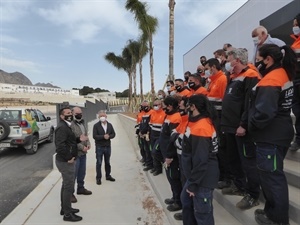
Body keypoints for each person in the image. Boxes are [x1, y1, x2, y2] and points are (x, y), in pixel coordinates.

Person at [249, 44, 297, 225]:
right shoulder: (282, 74)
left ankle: (278, 219)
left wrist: (251, 126)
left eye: (259, 60)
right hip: (278, 133)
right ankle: (271, 211)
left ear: (268, 59)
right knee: (270, 176)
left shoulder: (272, 79)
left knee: (272, 178)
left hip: (271, 136)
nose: (256, 63)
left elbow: (264, 113)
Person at [221, 48, 261, 210]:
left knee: (248, 162)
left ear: (237, 60)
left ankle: (253, 194)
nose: (227, 63)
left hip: (241, 128)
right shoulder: (233, 77)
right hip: (229, 127)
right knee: (233, 159)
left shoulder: (250, 76)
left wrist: (243, 124)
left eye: (229, 59)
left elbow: (249, 104)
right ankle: (239, 185)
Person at [180, 94, 219, 225]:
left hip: (202, 178)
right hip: (195, 175)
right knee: (186, 201)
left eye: (187, 105)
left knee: (202, 214)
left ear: (193, 106)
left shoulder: (201, 127)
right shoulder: (196, 121)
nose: (185, 108)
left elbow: (201, 160)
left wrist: (193, 184)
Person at [55, 107, 86, 222]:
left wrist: (79, 139)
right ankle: (67, 215)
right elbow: (60, 146)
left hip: (66, 161)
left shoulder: (67, 126)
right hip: (65, 162)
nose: (70, 115)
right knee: (68, 187)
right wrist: (68, 158)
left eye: (70, 113)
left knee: (65, 186)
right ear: (62, 116)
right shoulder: (62, 127)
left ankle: (65, 208)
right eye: (67, 113)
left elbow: (69, 141)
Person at [159, 96, 182, 212]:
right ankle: (175, 197)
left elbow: (173, 140)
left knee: (174, 178)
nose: (163, 107)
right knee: (170, 178)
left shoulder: (176, 118)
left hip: (171, 157)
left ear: (170, 106)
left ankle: (178, 202)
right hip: (166, 154)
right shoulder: (169, 116)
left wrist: (170, 156)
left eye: (164, 105)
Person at [70, 107, 92, 198]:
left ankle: (81, 188)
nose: (79, 114)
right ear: (72, 114)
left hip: (83, 153)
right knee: (73, 174)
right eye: (77, 113)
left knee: (82, 173)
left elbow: (85, 135)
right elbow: (71, 140)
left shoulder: (82, 122)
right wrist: (81, 147)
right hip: (76, 154)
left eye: (80, 113)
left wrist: (88, 143)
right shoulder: (71, 125)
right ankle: (70, 193)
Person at [93, 111, 116, 185]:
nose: (102, 117)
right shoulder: (96, 126)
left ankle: (108, 175)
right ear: (99, 117)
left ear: (106, 116)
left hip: (108, 146)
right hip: (99, 147)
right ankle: (98, 178)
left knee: (107, 162)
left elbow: (113, 134)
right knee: (99, 163)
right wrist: (103, 136)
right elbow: (95, 136)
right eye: (100, 116)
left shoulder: (109, 125)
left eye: (103, 115)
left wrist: (109, 136)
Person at [289, 13, 300, 152]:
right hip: (296, 80)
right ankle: (298, 139)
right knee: (297, 112)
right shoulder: (294, 43)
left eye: (296, 24)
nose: (294, 27)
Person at [149, 99, 165, 176]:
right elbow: (151, 124)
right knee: (152, 152)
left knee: (155, 151)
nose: (156, 106)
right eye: (154, 105)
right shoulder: (153, 113)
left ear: (161, 105)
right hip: (153, 135)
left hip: (160, 136)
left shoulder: (164, 113)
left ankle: (162, 164)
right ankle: (156, 168)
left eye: (157, 104)